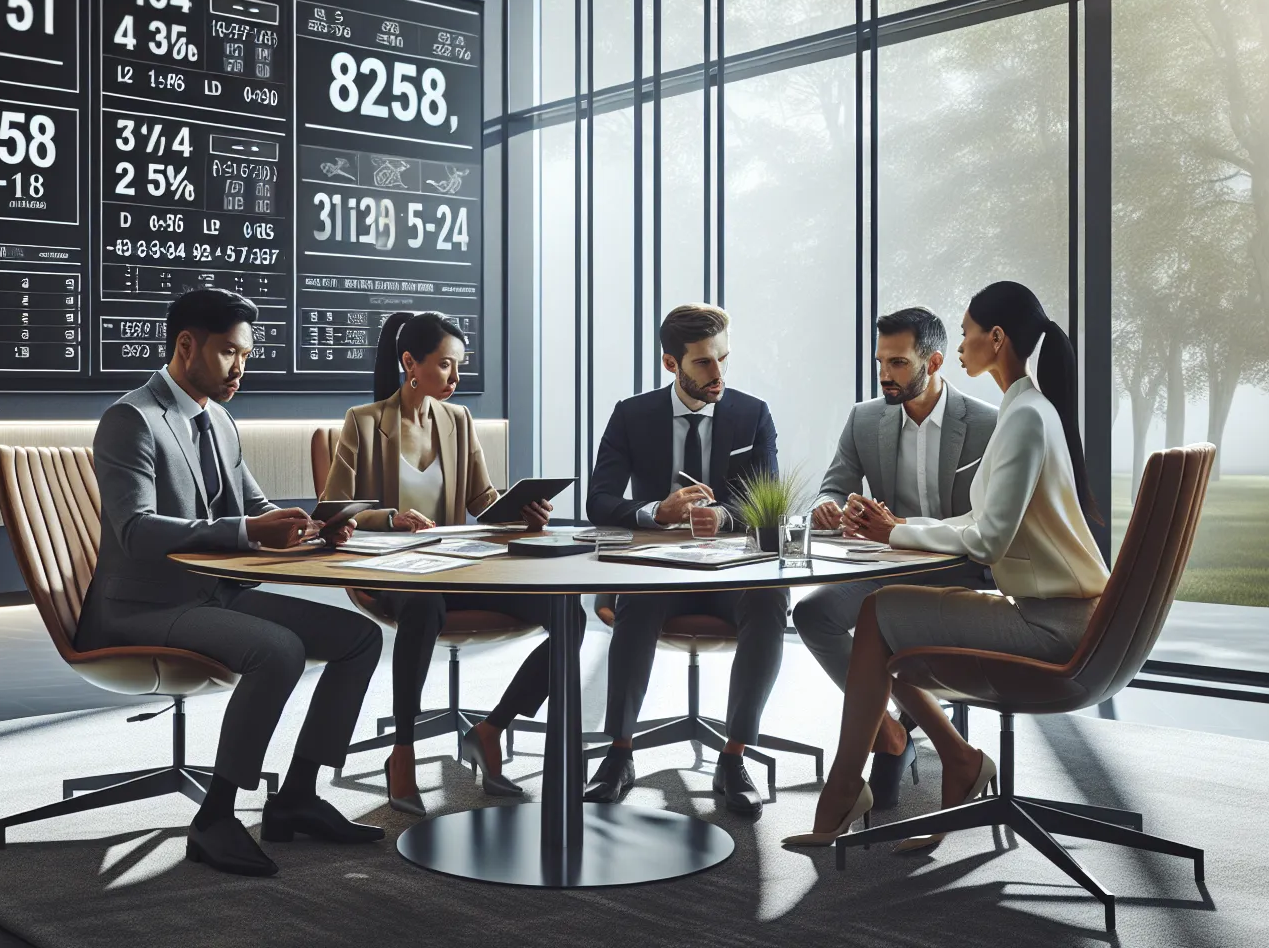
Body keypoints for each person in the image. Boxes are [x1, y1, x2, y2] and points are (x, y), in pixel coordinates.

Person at [785, 280, 1110, 849]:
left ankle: (848, 787)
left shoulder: (1020, 417)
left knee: (879, 617)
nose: (962, 346)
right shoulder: (1028, 409)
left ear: (997, 338)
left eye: (966, 334)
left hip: (1050, 624)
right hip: (1054, 611)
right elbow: (983, 523)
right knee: (876, 615)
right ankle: (946, 760)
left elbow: (984, 542)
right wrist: (890, 531)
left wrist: (898, 531)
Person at [76, 288, 385, 877]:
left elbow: (255, 506)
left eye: (246, 354)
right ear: (186, 345)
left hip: (212, 594)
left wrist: (313, 529)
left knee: (359, 639)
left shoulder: (219, 419)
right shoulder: (130, 419)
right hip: (140, 605)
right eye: (228, 353)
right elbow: (137, 530)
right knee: (277, 648)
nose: (240, 367)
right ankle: (215, 819)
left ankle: (296, 796)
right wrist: (247, 531)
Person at [320, 311, 583, 817]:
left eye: (459, 367)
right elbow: (335, 507)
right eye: (446, 366)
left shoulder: (458, 420)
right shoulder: (364, 421)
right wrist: (391, 517)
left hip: (457, 566)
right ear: (410, 364)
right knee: (422, 607)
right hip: (394, 572)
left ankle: (491, 729)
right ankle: (403, 753)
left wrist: (520, 509)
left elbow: (483, 499)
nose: (456, 379)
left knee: (568, 615)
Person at [581, 303, 787, 816]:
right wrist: (656, 511)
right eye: (703, 363)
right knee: (637, 600)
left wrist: (724, 516)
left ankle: (734, 754)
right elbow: (599, 500)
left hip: (728, 571)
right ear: (672, 364)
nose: (718, 374)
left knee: (770, 602)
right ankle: (619, 752)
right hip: (661, 570)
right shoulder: (632, 414)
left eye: (723, 359)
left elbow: (769, 501)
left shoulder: (752, 413)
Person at [793, 307, 997, 809]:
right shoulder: (865, 419)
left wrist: (903, 531)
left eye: (899, 363)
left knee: (874, 623)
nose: (885, 374)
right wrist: (830, 506)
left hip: (962, 569)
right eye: (881, 362)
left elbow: (989, 523)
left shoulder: (988, 425)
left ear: (934, 361)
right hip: (886, 569)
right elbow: (835, 485)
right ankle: (887, 732)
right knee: (813, 613)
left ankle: (891, 754)